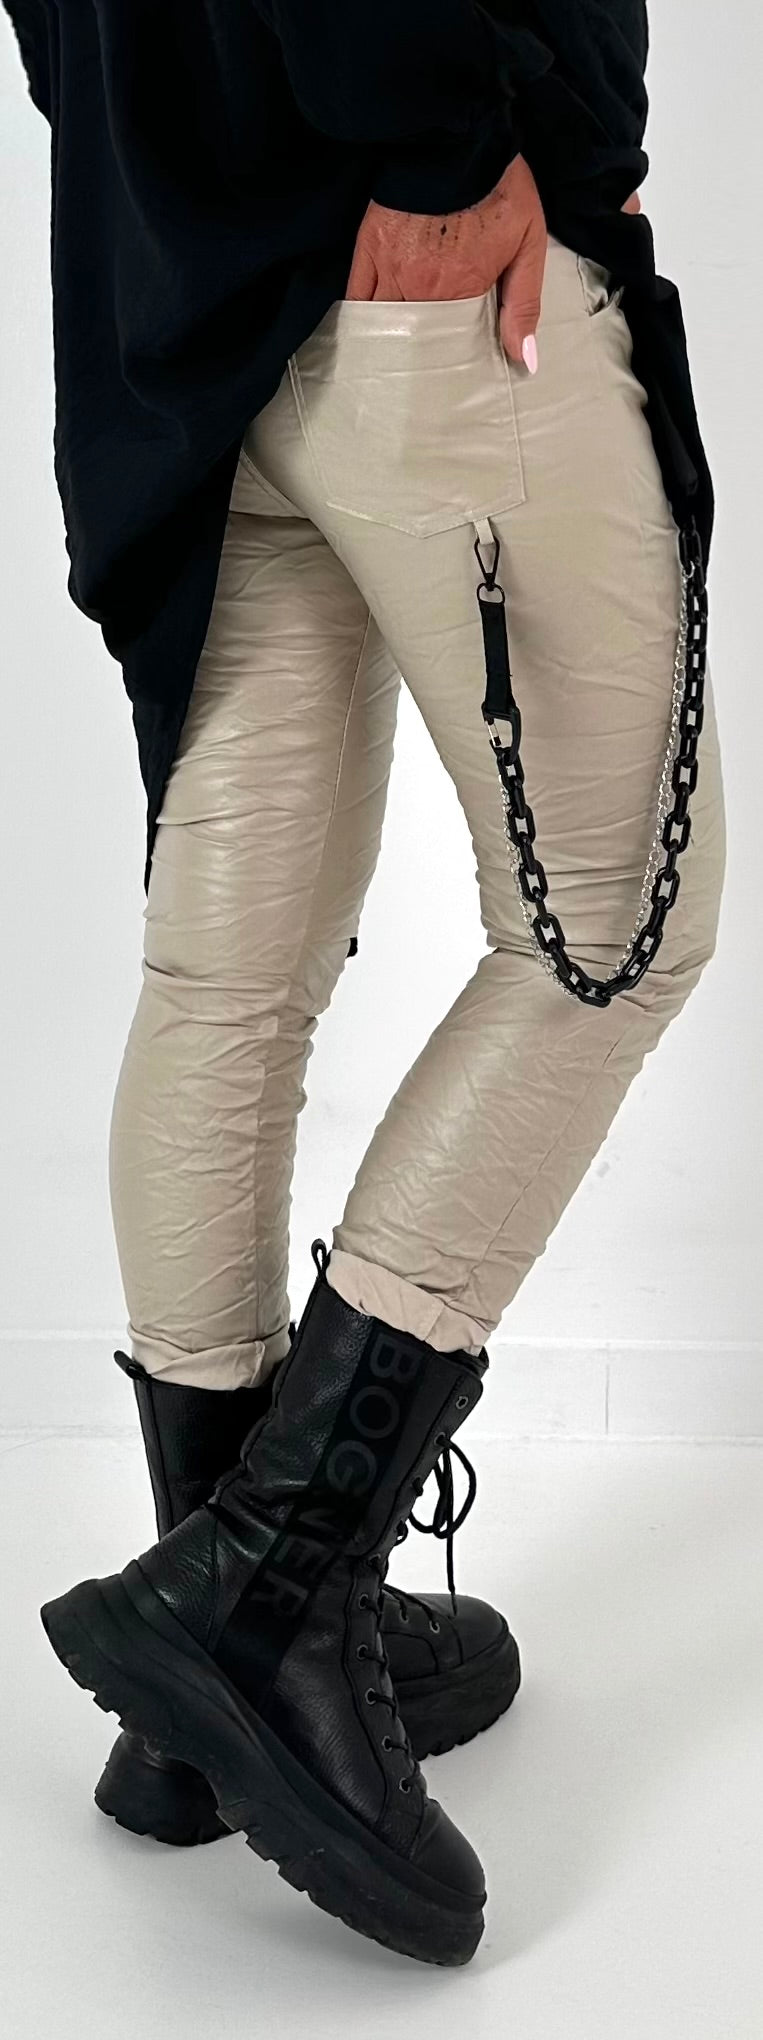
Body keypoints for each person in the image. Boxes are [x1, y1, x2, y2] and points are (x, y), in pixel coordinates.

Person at [4, 1, 725, 1968]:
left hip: (179, 274)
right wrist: (445, 138)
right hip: (413, 259)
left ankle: (205, 1640)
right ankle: (264, 1597)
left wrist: (174, 143)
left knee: (225, 971)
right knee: (616, 929)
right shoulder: (418, 166)